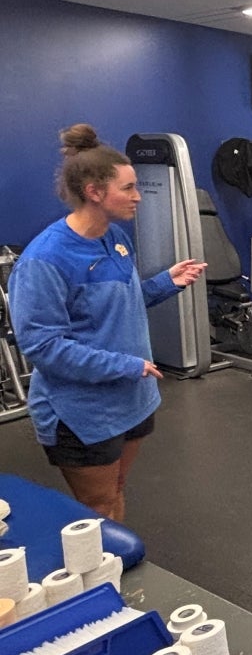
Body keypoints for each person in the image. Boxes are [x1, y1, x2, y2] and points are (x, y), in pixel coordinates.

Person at [8, 124, 206, 521]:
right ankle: (100, 578)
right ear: (94, 192)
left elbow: (123, 304)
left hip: (132, 397)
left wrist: (167, 282)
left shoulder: (115, 237)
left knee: (115, 491)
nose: (138, 197)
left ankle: (115, 569)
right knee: (95, 506)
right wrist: (127, 366)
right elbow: (43, 347)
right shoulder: (44, 259)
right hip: (82, 411)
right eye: (128, 189)